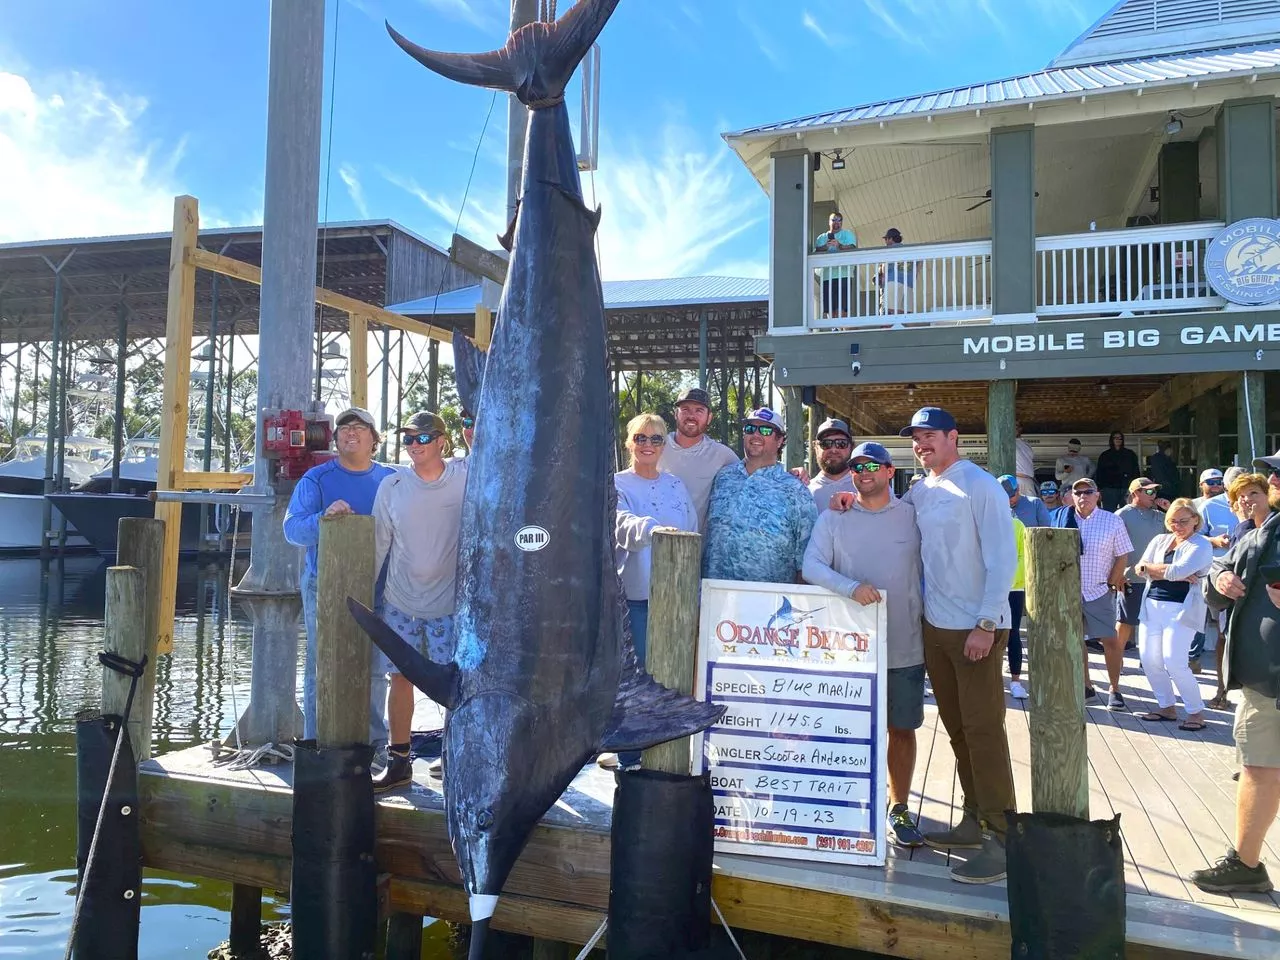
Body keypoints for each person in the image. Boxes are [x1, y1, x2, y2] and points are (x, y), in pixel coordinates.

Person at [898, 406, 1017, 884]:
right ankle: (975, 820)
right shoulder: (919, 490)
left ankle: (1004, 837)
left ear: (954, 438)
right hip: (937, 627)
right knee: (958, 730)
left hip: (977, 628)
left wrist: (987, 623)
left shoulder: (980, 485)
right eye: (915, 438)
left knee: (985, 730)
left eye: (929, 435)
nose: (921, 444)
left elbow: (1003, 557)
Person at [802, 441, 926, 848]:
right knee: (843, 728)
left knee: (901, 729)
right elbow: (812, 566)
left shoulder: (914, 515)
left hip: (905, 643)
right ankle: (843, 804)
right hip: (847, 649)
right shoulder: (833, 517)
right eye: (857, 465)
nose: (864, 470)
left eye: (874, 464)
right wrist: (850, 587)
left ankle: (899, 807)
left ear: (892, 471)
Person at [283, 406, 396, 746]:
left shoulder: (392, 479)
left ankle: (375, 745)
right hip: (325, 587)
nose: (351, 432)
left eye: (361, 428)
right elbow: (292, 530)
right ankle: (319, 742)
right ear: (335, 440)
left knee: (376, 667)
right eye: (345, 427)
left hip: (382, 587)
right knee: (324, 664)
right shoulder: (315, 480)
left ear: (374, 440)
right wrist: (323, 517)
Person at [369, 411, 467, 792]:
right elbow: (379, 545)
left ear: (443, 440)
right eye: (408, 438)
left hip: (452, 606)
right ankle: (399, 761)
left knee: (455, 685)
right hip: (400, 601)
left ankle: (455, 756)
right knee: (400, 679)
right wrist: (364, 597)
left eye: (422, 438)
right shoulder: (392, 486)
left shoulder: (466, 477)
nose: (414, 445)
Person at [1194, 498, 1280, 894]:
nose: (1272, 480)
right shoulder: (1262, 530)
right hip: (1263, 683)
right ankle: (1247, 865)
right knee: (1258, 768)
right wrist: (1220, 581)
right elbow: (1218, 569)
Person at [608, 413, 697, 772]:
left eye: (656, 439)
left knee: (670, 678)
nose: (648, 445)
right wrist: (655, 530)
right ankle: (630, 759)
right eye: (641, 438)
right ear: (629, 443)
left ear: (664, 445)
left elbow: (691, 527)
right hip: (634, 601)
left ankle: (662, 754)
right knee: (635, 679)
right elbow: (620, 524)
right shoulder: (615, 483)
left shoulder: (675, 485)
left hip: (674, 602)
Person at [704, 407, 817, 585]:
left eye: (765, 430)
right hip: (715, 596)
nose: (756, 435)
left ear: (780, 440)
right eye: (750, 429)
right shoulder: (723, 477)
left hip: (768, 602)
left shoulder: (796, 489)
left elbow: (807, 556)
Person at [1133, 499, 1214, 730]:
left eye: (1183, 521)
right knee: (1149, 660)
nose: (1177, 525)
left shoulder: (1202, 544)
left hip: (1182, 609)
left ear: (1196, 520)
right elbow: (1138, 568)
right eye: (1173, 521)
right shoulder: (1160, 540)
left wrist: (1152, 569)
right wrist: (1159, 571)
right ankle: (1166, 706)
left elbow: (1177, 571)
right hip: (1151, 606)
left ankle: (1196, 711)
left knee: (1174, 662)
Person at [1055, 477, 1133, 709]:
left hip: (1098, 589)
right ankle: (1086, 686)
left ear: (1098, 495)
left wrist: (1112, 581)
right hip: (1069, 591)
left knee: (1110, 640)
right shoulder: (1062, 518)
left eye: (1088, 492)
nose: (1082, 497)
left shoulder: (1112, 521)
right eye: (1077, 492)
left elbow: (1123, 554)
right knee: (1076, 642)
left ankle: (1115, 688)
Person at [660, 386, 738, 531]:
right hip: (655, 545)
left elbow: (753, 476)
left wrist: (792, 473)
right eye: (685, 409)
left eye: (699, 411)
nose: (691, 416)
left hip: (698, 548)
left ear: (709, 418)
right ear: (675, 414)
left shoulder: (722, 455)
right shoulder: (656, 447)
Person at [1115, 478, 1170, 654]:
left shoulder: (1162, 516)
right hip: (1131, 577)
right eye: (1148, 491)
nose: (1153, 495)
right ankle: (1116, 660)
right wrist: (1116, 574)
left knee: (1154, 622)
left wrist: (1169, 509)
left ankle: (1150, 661)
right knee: (1125, 621)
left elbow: (1182, 533)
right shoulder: (1121, 515)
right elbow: (1111, 547)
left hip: (1157, 578)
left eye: (1154, 491)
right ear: (1135, 493)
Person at [1190, 467, 1236, 673]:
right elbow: (1194, 537)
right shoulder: (1205, 506)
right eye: (1212, 482)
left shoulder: (1253, 504)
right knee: (1200, 618)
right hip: (1210, 573)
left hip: (1243, 575)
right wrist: (1215, 541)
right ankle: (1193, 658)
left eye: (1218, 481)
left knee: (1224, 629)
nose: (1216, 485)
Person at [814, 212, 857, 318]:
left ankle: (841, 331)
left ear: (842, 222)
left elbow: (853, 248)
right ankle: (835, 329)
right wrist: (824, 247)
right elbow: (815, 252)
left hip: (843, 274)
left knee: (842, 308)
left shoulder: (847, 234)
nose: (836, 222)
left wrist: (840, 246)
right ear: (829, 222)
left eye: (839, 220)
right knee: (830, 309)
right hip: (826, 276)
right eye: (833, 220)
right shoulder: (821, 237)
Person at [808, 417, 855, 513]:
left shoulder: (868, 487)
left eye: (841, 443)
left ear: (852, 447)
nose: (833, 450)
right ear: (815, 447)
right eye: (826, 444)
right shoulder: (805, 491)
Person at [1095, 431, 1141, 512]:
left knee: (1129, 512)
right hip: (1109, 489)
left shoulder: (1130, 454)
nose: (1118, 440)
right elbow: (1099, 473)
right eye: (1116, 438)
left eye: (1120, 438)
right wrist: (1099, 489)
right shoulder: (1105, 455)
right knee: (1109, 514)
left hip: (1127, 488)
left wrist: (1136, 487)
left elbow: (1136, 472)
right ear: (1111, 440)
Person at [1008, 516, 1028, 701]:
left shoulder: (1017, 524)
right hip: (986, 588)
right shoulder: (980, 520)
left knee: (1012, 633)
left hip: (1014, 588)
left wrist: (1010, 579)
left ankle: (1015, 681)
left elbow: (1024, 556)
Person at [877, 227, 914, 315]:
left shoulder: (888, 250)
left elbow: (885, 267)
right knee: (906, 313)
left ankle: (891, 328)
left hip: (892, 282)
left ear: (891, 239)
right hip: (908, 284)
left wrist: (882, 277)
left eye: (886, 239)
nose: (885, 241)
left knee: (890, 311)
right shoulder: (908, 250)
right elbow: (919, 262)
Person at [1014, 421, 1037, 498]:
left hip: (1029, 480)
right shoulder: (1006, 442)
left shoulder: (1026, 444)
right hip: (1016, 479)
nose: (1016, 428)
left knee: (1033, 505)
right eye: (1013, 425)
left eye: (1017, 425)